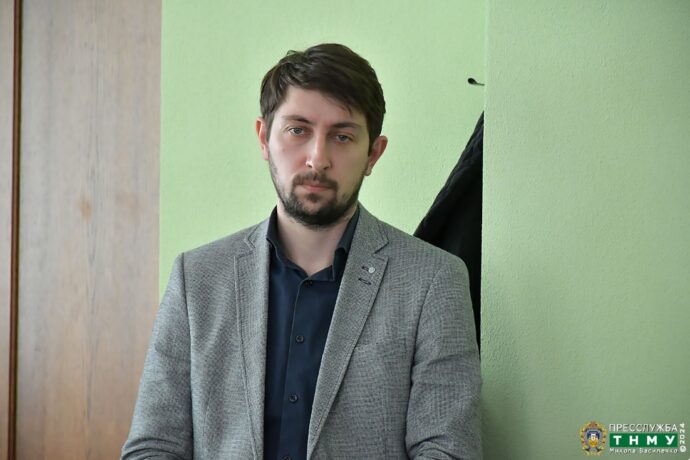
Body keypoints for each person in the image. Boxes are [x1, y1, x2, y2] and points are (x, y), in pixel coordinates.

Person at [122, 43, 480, 460]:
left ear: (373, 154)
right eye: (298, 130)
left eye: (342, 136)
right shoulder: (197, 278)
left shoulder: (433, 280)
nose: (317, 158)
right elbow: (153, 447)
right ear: (264, 138)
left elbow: (448, 451)